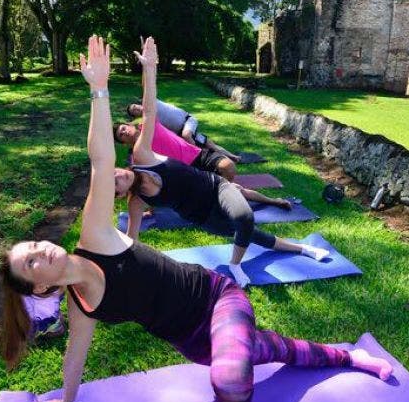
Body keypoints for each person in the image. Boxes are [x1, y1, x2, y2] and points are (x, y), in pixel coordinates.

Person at [0, 34, 393, 402]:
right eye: (31, 261)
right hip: (192, 340)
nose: (41, 250)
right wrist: (67, 401)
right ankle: (348, 357)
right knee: (276, 350)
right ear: (40, 285)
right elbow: (76, 351)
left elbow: (99, 159)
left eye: (34, 246)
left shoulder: (94, 235)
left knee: (230, 379)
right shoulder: (81, 304)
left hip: (217, 296)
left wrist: (100, 89)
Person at [118, 40, 326, 289]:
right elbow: (132, 240)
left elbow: (150, 111)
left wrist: (149, 69)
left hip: (216, 187)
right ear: (120, 194)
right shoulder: (137, 202)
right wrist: (122, 271)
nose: (119, 177)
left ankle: (235, 265)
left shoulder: (142, 156)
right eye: (115, 184)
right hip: (203, 217)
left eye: (115, 174)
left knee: (245, 217)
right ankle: (302, 248)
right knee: (251, 235)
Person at [114, 119, 237, 181]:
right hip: (183, 173)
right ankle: (219, 194)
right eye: (121, 135)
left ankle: (222, 191)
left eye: (124, 128)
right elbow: (147, 181)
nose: (125, 132)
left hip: (197, 155)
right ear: (124, 143)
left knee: (229, 167)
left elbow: (148, 101)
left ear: (130, 124)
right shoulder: (137, 156)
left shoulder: (148, 123)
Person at [126, 99, 239, 162]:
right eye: (134, 111)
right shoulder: (149, 121)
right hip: (180, 132)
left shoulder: (151, 101)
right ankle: (232, 157)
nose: (137, 109)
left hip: (188, 121)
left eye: (135, 106)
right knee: (209, 144)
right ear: (136, 115)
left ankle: (202, 157)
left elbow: (146, 84)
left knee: (187, 136)